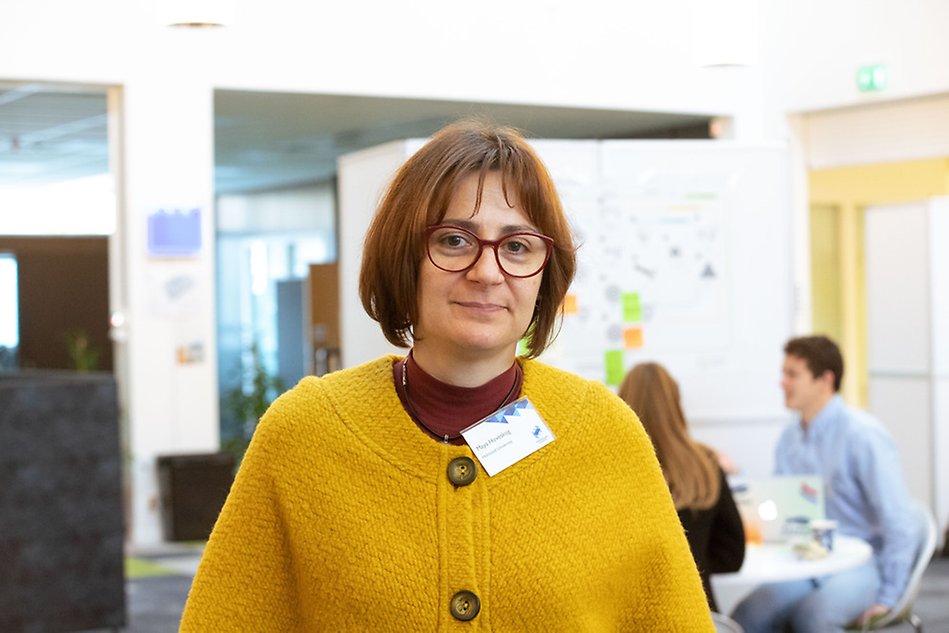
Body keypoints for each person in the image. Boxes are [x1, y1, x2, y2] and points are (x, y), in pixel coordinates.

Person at [180, 119, 713, 630]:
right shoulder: (304, 434)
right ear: (402, 257)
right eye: (454, 240)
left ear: (543, 275)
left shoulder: (605, 433)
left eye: (517, 246)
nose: (486, 271)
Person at [732, 335, 918, 632]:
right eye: (783, 373)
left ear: (825, 380)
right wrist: (736, 477)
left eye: (792, 374)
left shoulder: (863, 436)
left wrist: (889, 597)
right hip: (806, 560)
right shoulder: (790, 437)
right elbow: (781, 506)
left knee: (813, 619)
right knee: (746, 615)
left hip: (861, 564)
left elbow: (900, 522)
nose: (782, 382)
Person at [618, 362, 745, 612]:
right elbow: (732, 556)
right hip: (698, 613)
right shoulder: (707, 466)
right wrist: (692, 561)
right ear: (676, 405)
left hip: (629, 617)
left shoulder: (610, 469)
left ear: (622, 404)